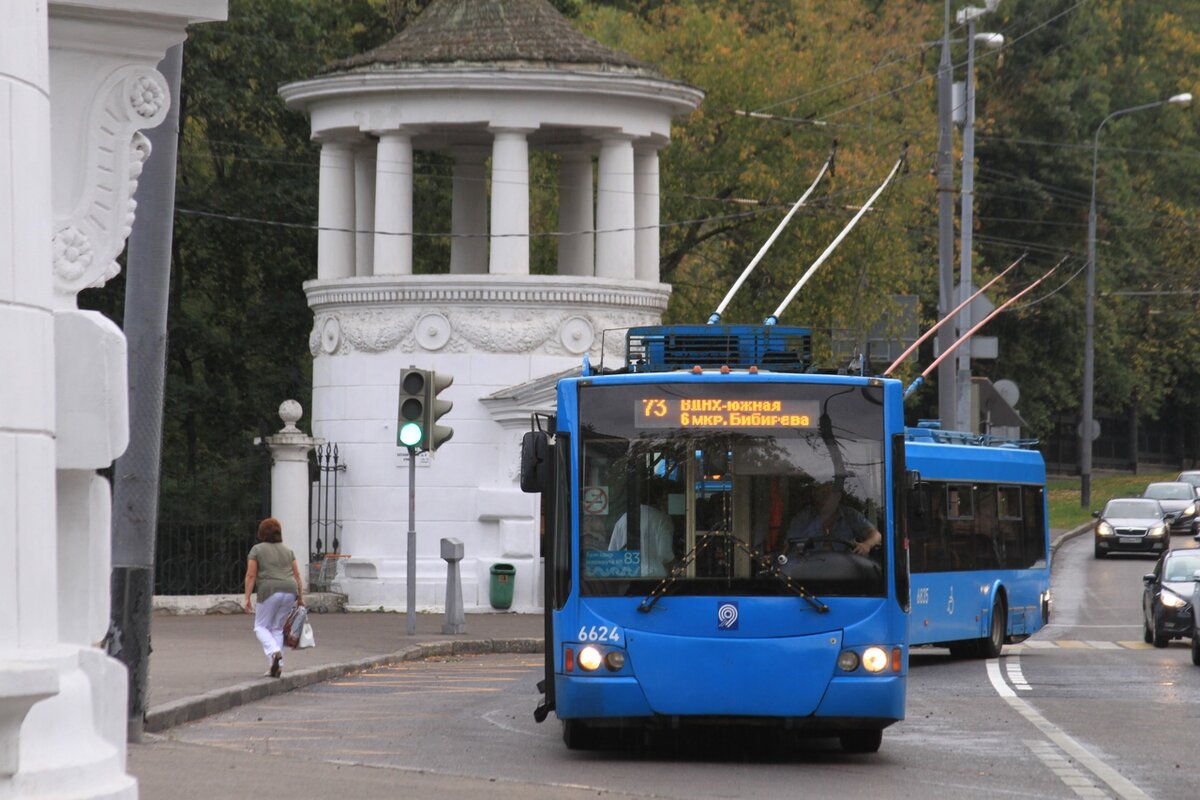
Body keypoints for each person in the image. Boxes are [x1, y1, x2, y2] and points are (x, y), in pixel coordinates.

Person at [243, 517, 304, 678]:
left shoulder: (257, 550)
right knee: (277, 628)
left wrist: (247, 598)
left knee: (261, 627)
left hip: (269, 590)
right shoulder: (287, 550)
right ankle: (276, 667)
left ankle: (274, 652)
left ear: (261, 533)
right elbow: (297, 575)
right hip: (290, 590)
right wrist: (301, 597)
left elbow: (251, 575)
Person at [785, 481, 881, 556]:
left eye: (828, 494)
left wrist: (866, 545)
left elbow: (876, 535)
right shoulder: (804, 517)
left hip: (847, 570)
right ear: (814, 497)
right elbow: (789, 544)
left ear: (838, 497)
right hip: (810, 569)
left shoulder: (850, 515)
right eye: (821, 494)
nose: (824, 497)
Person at [608, 502, 675, 577]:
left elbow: (612, 555)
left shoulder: (621, 520)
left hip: (628, 577)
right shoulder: (661, 519)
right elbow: (665, 554)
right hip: (655, 577)